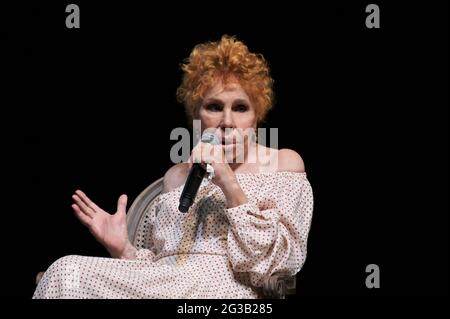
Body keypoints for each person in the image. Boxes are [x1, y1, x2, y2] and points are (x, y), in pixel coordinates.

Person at [33, 35, 314, 299]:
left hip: (223, 290)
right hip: (168, 284)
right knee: (64, 271)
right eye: (214, 106)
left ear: (256, 117)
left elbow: (280, 261)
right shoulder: (177, 176)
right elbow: (163, 264)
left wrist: (228, 182)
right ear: (196, 114)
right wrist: (123, 249)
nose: (227, 121)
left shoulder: (282, 163)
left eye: (240, 107)